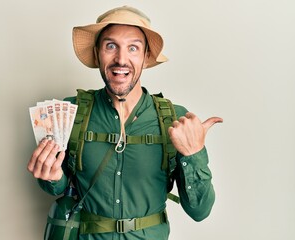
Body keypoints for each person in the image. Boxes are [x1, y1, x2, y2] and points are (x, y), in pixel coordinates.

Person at [28, 6, 223, 240]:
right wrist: (51, 176)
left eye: (133, 48)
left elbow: (200, 211)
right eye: (111, 46)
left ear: (146, 57)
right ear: (97, 52)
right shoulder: (71, 113)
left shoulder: (176, 119)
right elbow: (58, 188)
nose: (121, 59)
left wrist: (194, 154)